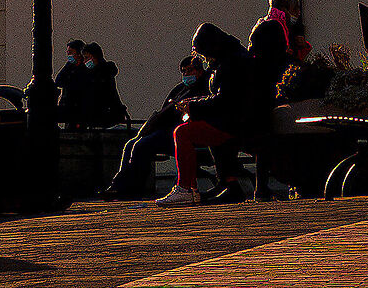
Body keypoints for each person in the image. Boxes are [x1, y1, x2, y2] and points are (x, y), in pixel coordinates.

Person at [159, 22, 264, 206]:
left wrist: (192, 106)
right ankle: (228, 184)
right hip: (240, 119)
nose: (205, 58)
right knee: (201, 126)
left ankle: (185, 188)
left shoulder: (231, 62)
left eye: (204, 53)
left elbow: (225, 100)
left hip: (239, 122)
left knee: (183, 133)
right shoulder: (230, 58)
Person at [98, 52, 206, 200]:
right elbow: (164, 112)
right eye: (184, 71)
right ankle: (119, 184)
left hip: (182, 133)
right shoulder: (180, 89)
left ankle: (134, 187)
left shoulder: (204, 88)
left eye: (190, 70)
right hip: (168, 131)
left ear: (200, 71)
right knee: (131, 144)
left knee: (143, 145)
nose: (187, 74)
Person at [82, 42, 127, 127]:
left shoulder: (100, 75)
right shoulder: (104, 72)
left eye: (86, 57)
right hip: (107, 115)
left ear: (94, 57)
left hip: (104, 116)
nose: (84, 61)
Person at [54, 39, 92, 127]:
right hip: (68, 106)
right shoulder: (69, 66)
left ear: (79, 53)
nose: (69, 55)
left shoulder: (86, 68)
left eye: (71, 52)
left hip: (80, 108)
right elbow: (58, 80)